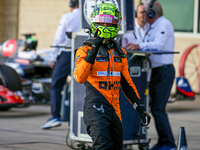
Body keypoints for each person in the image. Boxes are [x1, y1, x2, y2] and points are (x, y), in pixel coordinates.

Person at [73, 3, 151, 150]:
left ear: (117, 23)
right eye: (101, 21)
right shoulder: (84, 50)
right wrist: (95, 48)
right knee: (103, 147)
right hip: (95, 107)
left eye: (110, 21)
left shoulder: (121, 53)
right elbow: (79, 77)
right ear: (94, 21)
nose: (105, 24)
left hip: (115, 110)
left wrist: (140, 108)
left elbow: (127, 84)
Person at [125, 0, 177, 150]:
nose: (143, 15)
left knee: (158, 109)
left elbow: (158, 45)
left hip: (164, 71)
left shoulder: (163, 24)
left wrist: (139, 46)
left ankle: (169, 143)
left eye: (145, 12)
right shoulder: (152, 26)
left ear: (151, 13)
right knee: (155, 108)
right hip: (156, 71)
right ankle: (163, 142)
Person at [41, 0, 80, 129]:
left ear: (71, 5)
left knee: (56, 84)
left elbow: (59, 37)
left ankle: (55, 116)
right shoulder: (87, 17)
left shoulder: (67, 17)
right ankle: (74, 120)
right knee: (78, 87)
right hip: (83, 54)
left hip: (67, 53)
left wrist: (53, 56)